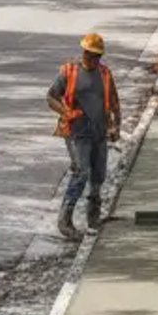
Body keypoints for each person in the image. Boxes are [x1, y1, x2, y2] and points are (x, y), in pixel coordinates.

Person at [46, 32, 120, 239]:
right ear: (83, 52)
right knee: (81, 172)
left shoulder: (105, 75)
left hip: (99, 132)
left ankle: (93, 217)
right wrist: (65, 112)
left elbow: (114, 101)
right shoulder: (69, 72)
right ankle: (65, 220)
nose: (92, 59)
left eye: (96, 56)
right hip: (76, 133)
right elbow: (51, 96)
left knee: (98, 175)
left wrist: (116, 126)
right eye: (89, 54)